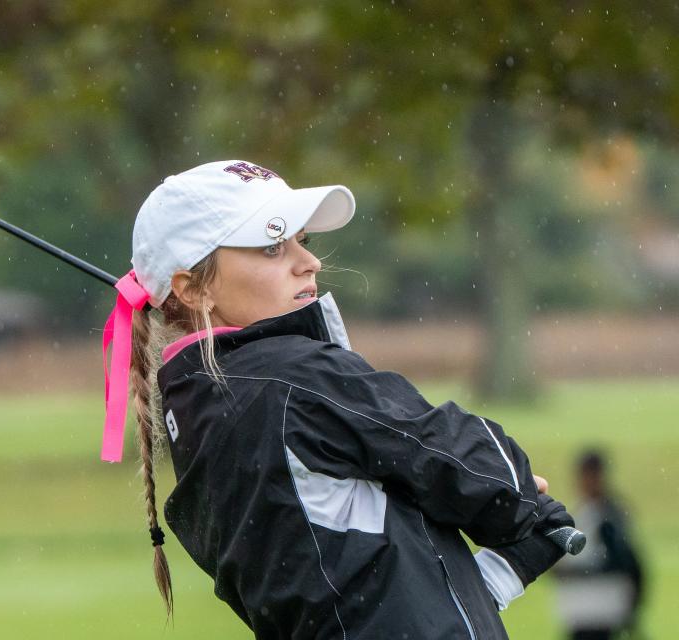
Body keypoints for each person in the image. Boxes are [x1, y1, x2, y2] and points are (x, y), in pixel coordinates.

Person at [99, 160, 577, 639]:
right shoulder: (294, 379)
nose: (309, 262)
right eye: (271, 247)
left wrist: (510, 562)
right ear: (193, 289)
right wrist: (514, 492)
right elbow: (447, 449)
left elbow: (367, 587)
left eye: (300, 242)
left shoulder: (201, 409)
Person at [554, 450, 644, 640]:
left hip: (599, 608)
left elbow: (622, 562)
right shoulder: (585, 510)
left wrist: (571, 571)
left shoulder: (608, 515)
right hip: (582, 608)